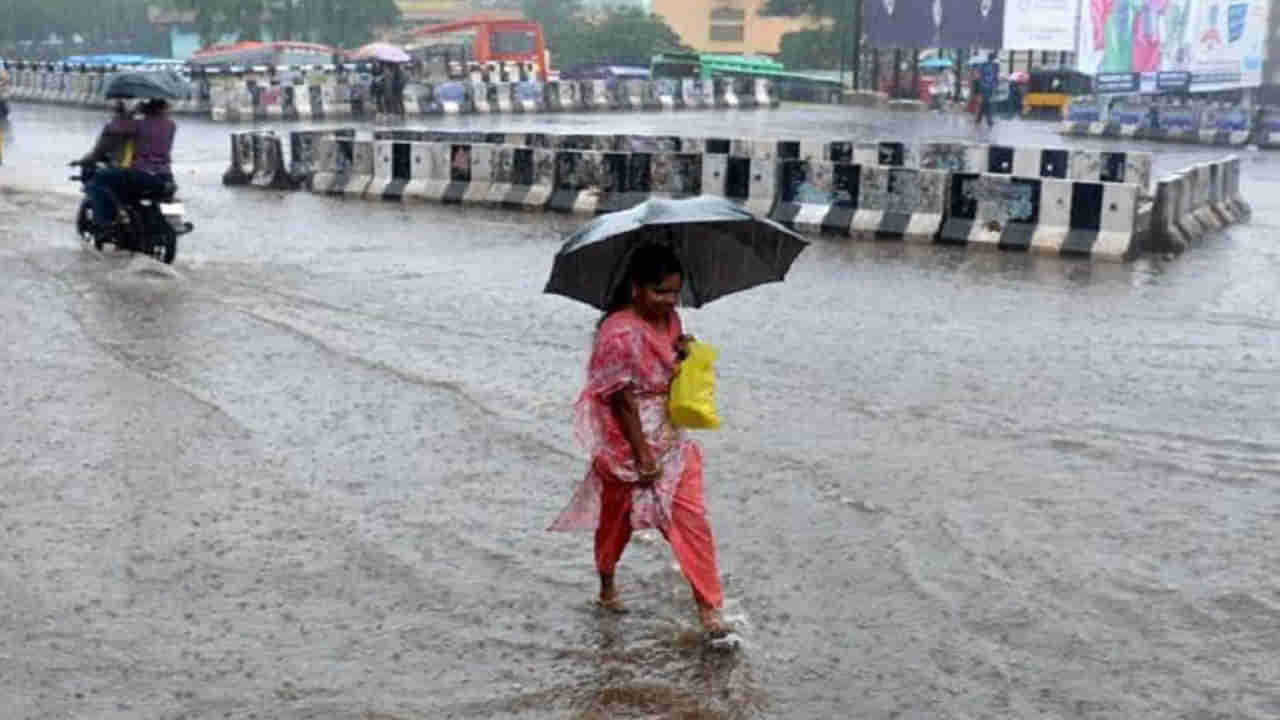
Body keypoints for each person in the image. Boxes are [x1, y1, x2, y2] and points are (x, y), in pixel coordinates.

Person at [550, 244, 729, 639]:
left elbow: (669, 368)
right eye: (659, 292)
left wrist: (685, 352)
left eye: (673, 293)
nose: (668, 301)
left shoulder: (671, 321)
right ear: (636, 288)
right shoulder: (618, 333)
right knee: (615, 523)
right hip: (626, 444)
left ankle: (710, 610)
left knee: (692, 520)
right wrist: (643, 455)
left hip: (669, 434)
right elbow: (620, 399)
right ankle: (607, 584)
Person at [82, 98, 176, 237]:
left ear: (146, 107)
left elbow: (112, 130)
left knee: (98, 180)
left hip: (141, 174)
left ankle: (104, 223)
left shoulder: (138, 124)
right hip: (165, 176)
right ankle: (175, 223)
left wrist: (129, 113)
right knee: (169, 196)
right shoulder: (171, 125)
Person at [975, 52, 999, 127]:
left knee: (985, 103)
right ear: (992, 58)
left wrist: (994, 84)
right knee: (987, 103)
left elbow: (993, 77)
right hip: (985, 86)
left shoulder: (993, 66)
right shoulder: (985, 65)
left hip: (988, 86)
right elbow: (983, 76)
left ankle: (978, 119)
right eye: (994, 58)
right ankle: (989, 120)